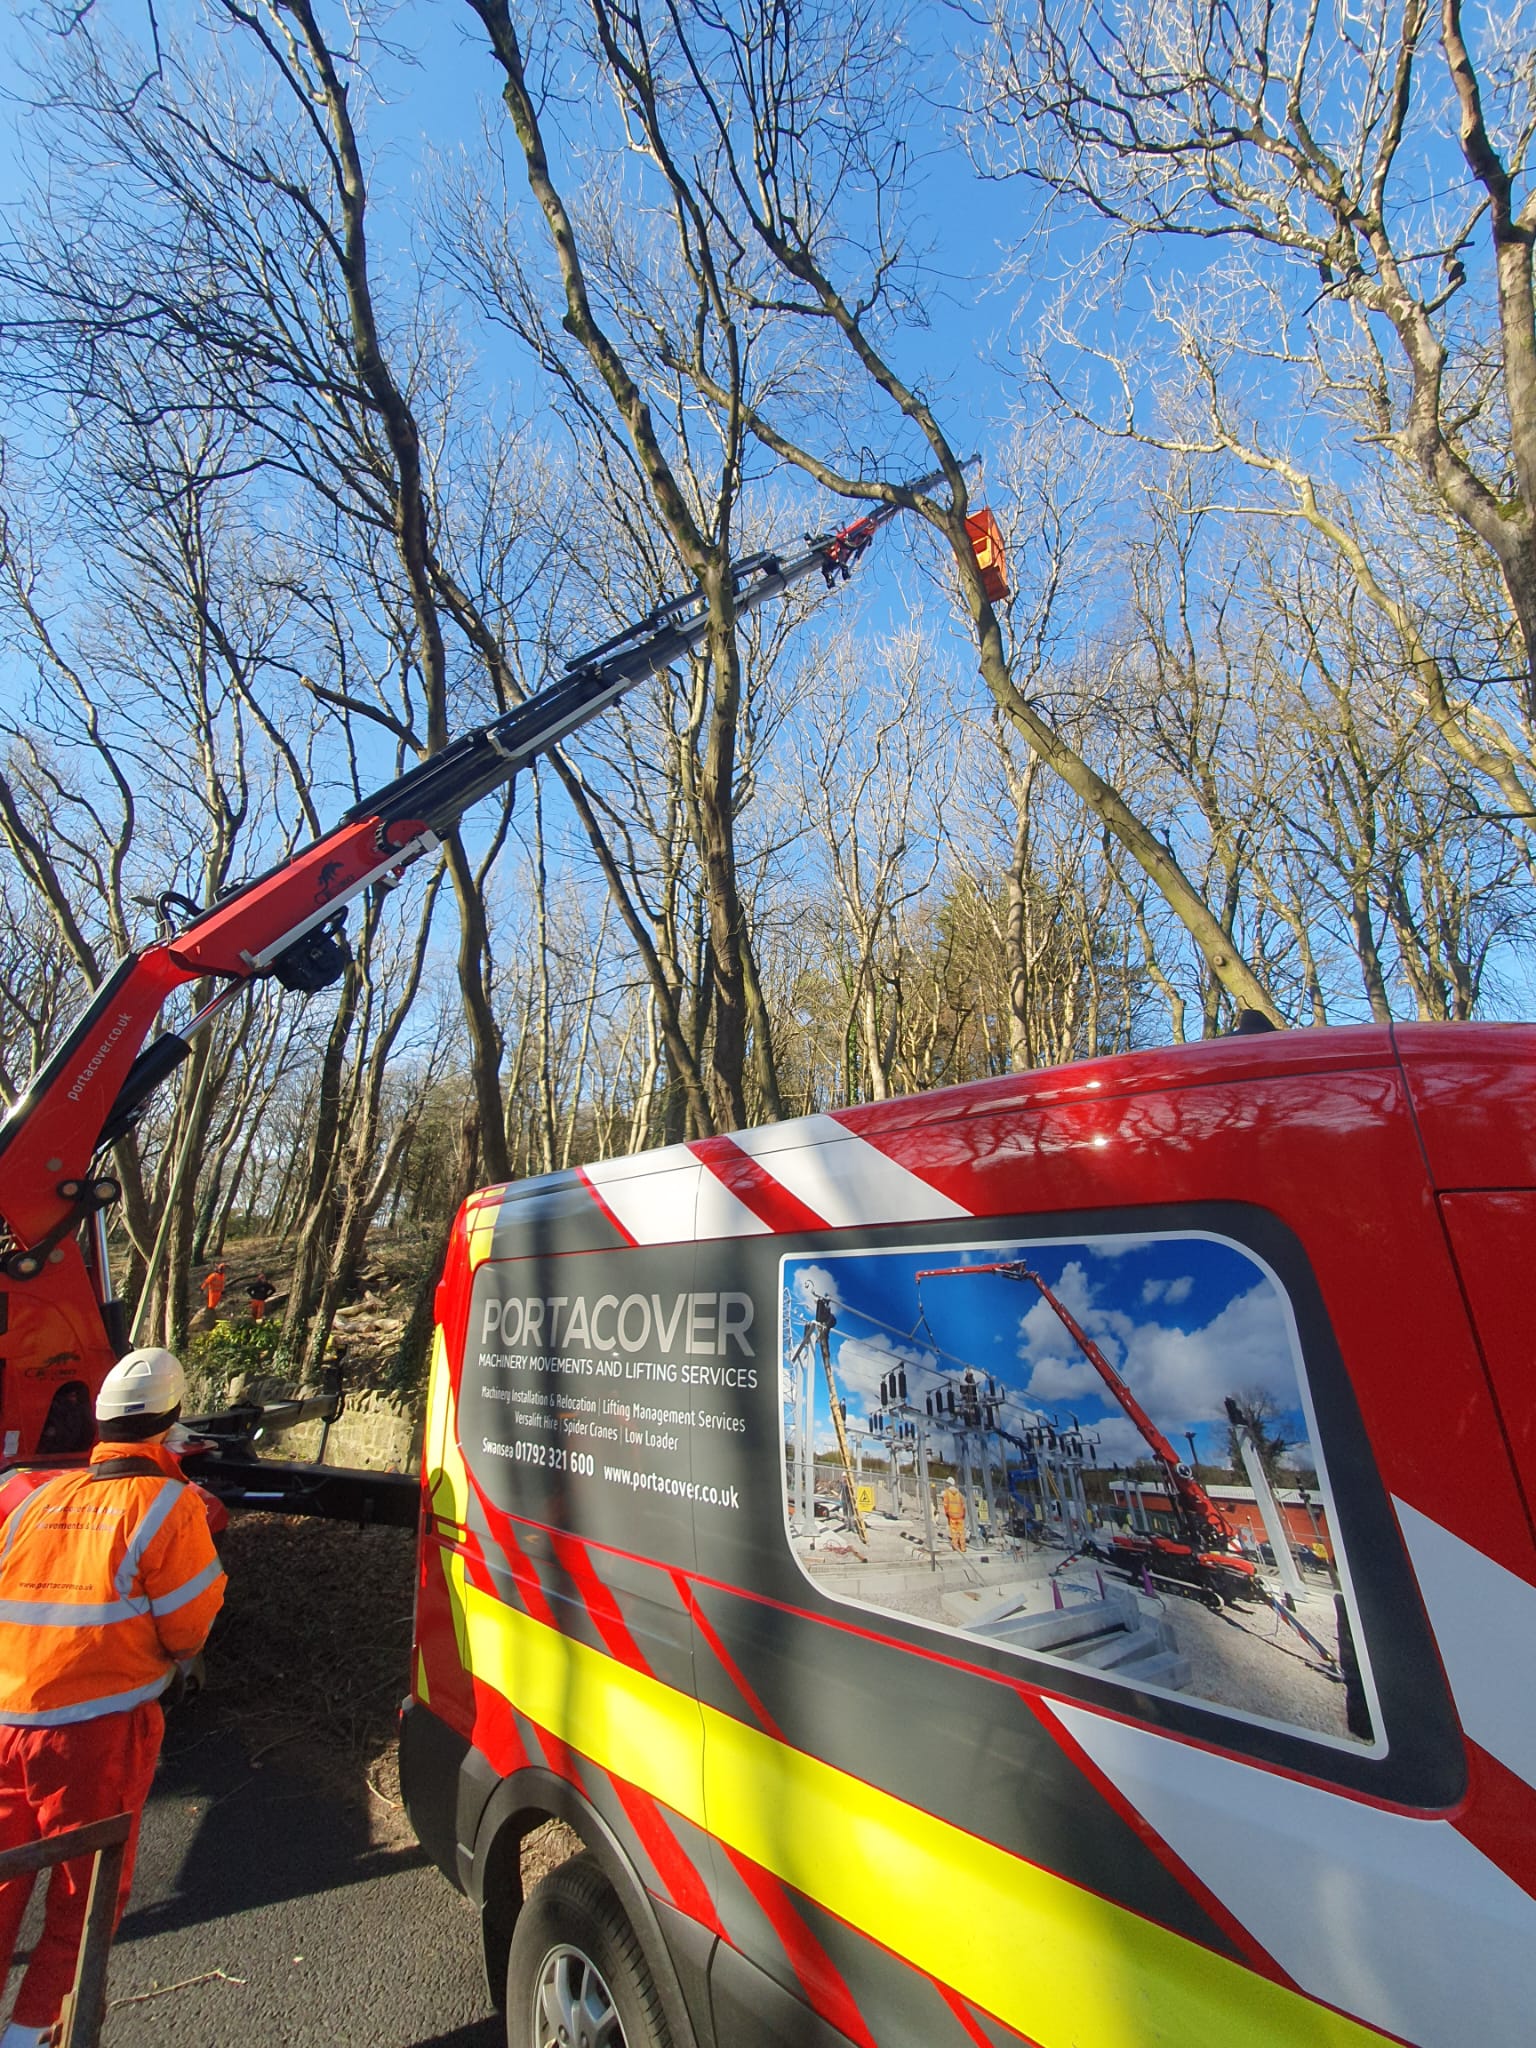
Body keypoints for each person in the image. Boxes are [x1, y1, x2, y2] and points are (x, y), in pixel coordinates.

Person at [0, 1349, 225, 2048]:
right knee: (84, 1898)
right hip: (92, 1733)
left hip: (5, 1722)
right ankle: (32, 2036)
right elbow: (188, 1631)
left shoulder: (37, 1499)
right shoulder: (169, 1508)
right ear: (170, 1422)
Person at [941, 1479, 967, 1552]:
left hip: (952, 1516)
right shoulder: (959, 1494)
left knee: (954, 1532)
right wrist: (963, 1514)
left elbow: (945, 1505)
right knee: (961, 1532)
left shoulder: (947, 1493)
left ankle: (955, 1546)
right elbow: (963, 1506)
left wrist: (947, 1514)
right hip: (960, 1516)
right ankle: (963, 1547)